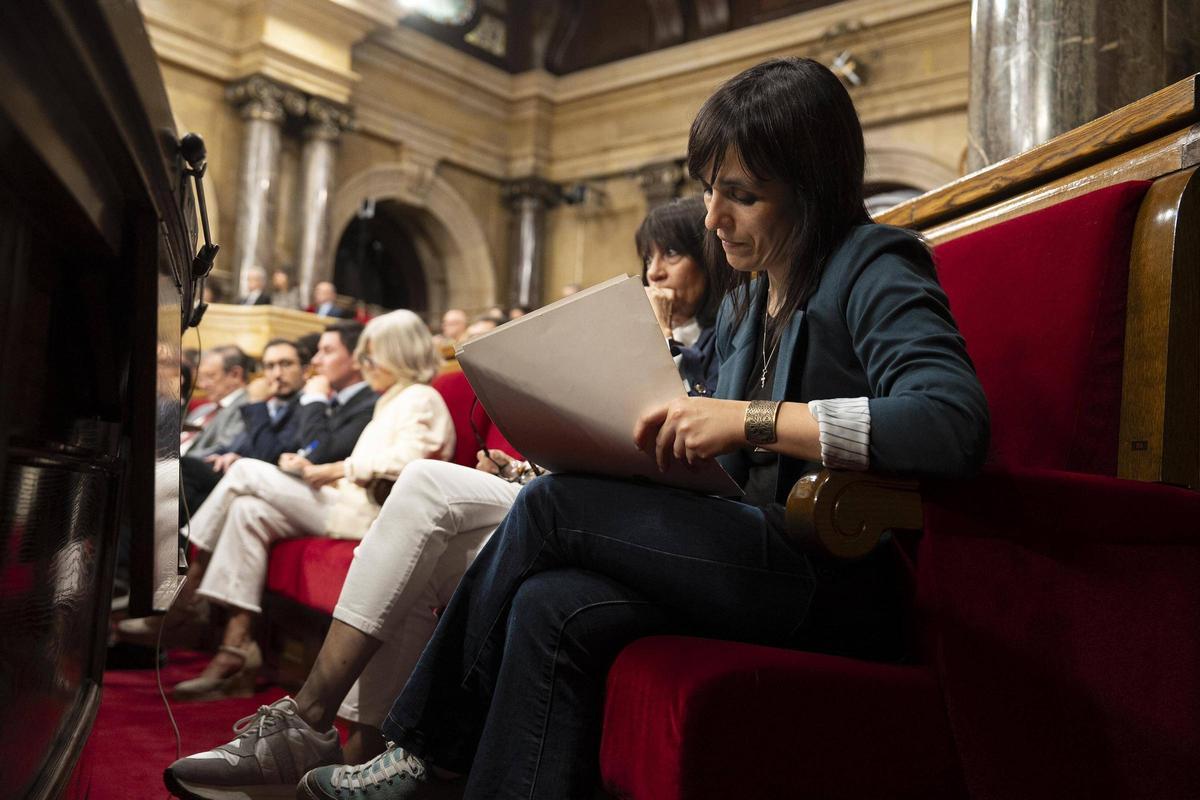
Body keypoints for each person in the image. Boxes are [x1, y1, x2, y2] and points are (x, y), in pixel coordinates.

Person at [295, 57, 989, 800]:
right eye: (708, 191)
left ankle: (427, 756)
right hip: (745, 553)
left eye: (741, 196)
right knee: (550, 603)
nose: (714, 218)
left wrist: (750, 420)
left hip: (831, 578)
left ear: (812, 191)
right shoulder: (745, 304)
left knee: (550, 510)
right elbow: (700, 429)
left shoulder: (875, 264)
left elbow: (951, 423)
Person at [162, 195, 728, 800]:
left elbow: (684, 445)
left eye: (672, 254)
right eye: (647, 256)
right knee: (423, 532)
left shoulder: (724, 335)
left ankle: (312, 721)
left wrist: (655, 341)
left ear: (711, 260)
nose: (655, 272)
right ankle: (365, 749)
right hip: (575, 500)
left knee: (425, 483)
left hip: (650, 525)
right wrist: (527, 461)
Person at [166, 310, 456, 702]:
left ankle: (188, 584)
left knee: (246, 473)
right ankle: (236, 647)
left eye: (370, 357)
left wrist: (335, 469)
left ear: (396, 356)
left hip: (369, 516)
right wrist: (325, 471)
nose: (363, 365)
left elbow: (412, 464)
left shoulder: (421, 398)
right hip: (348, 503)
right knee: (248, 510)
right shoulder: (395, 399)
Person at [181, 346, 252, 458]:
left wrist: (175, 460)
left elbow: (222, 450)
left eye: (210, 376)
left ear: (235, 374)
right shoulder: (202, 410)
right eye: (201, 378)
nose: (202, 385)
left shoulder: (248, 408)